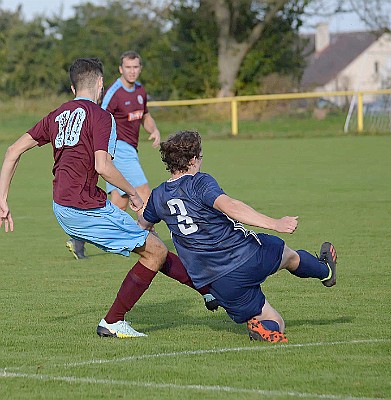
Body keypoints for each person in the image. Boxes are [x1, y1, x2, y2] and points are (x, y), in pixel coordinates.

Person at [0, 60, 217, 339]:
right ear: (101, 85)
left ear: (72, 87)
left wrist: (3, 199)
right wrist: (135, 192)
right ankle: (113, 321)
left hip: (63, 207)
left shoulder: (56, 114)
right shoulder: (102, 117)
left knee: (153, 249)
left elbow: (12, 151)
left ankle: (209, 291)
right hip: (84, 207)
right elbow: (102, 166)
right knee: (156, 251)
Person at [138, 130, 338, 343]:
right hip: (245, 256)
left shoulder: (158, 196)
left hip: (217, 281)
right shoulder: (199, 182)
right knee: (289, 256)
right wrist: (275, 223)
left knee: (274, 320)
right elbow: (230, 206)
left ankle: (263, 327)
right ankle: (325, 271)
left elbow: (142, 226)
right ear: (194, 159)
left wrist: (142, 217)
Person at [66, 50, 159, 260]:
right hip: (118, 148)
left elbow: (145, 116)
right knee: (144, 193)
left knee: (120, 203)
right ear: (121, 69)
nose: (132, 71)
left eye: (136, 67)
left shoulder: (140, 91)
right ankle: (152, 242)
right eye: (128, 67)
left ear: (140, 68)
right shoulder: (114, 92)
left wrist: (154, 130)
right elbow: (98, 115)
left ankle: (78, 237)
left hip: (130, 150)